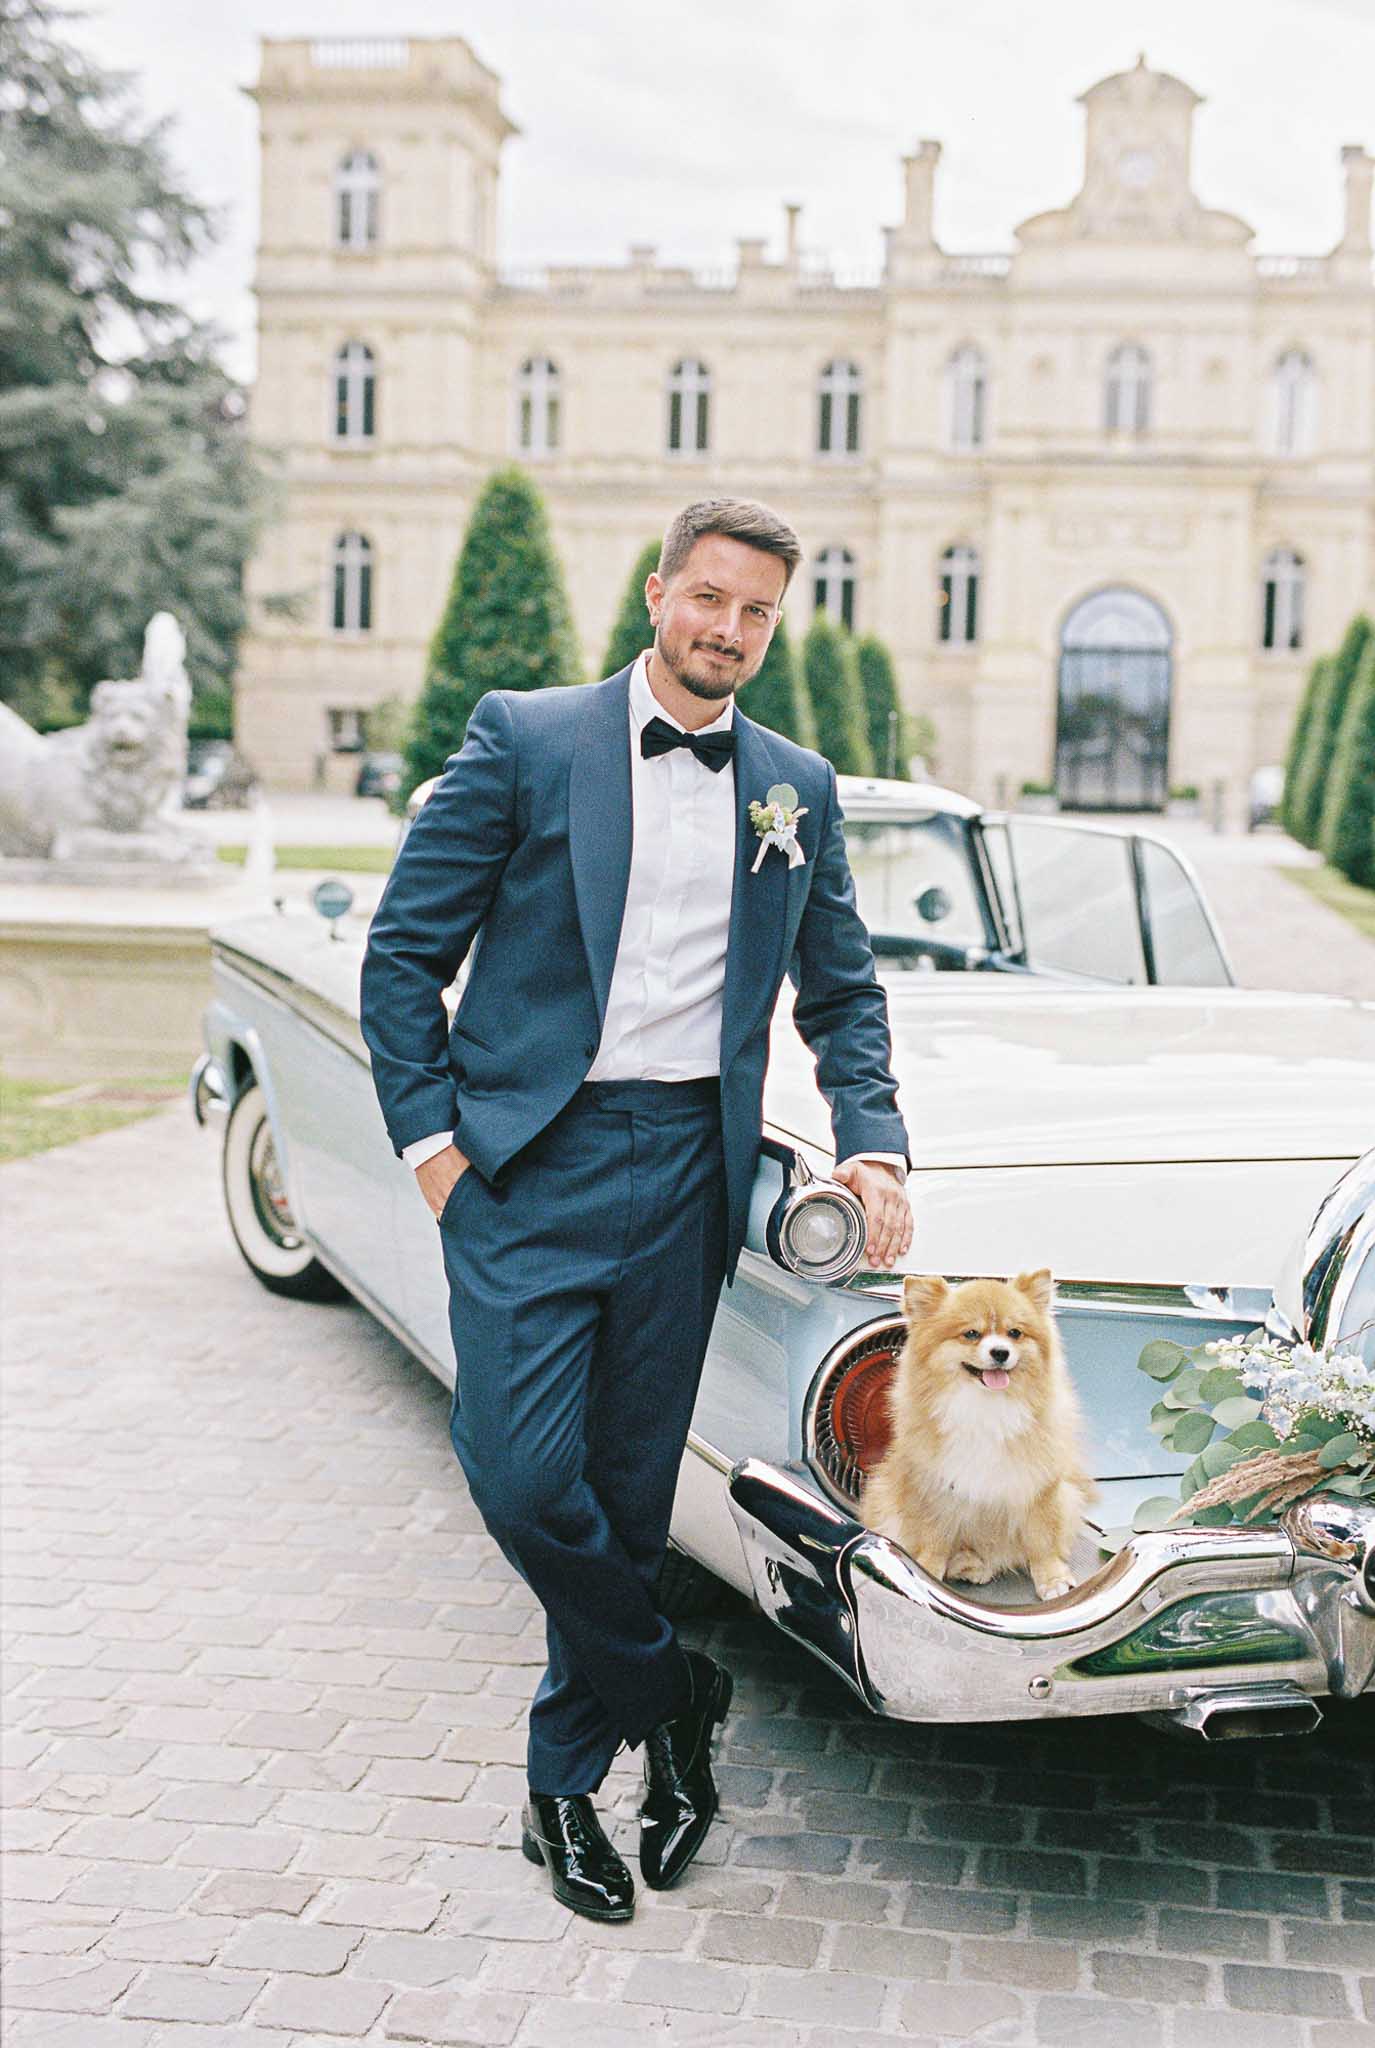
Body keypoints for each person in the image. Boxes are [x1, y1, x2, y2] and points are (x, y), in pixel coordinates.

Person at [360, 497, 912, 1922]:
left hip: (686, 1174)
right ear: (658, 590)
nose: (727, 631)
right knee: (521, 1476)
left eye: (757, 614)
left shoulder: (797, 785)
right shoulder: (526, 737)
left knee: (619, 1493)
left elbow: (844, 992)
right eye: (709, 598)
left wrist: (880, 1149)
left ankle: (564, 1788)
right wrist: (433, 1149)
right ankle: (676, 1692)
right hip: (524, 1167)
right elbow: (405, 952)